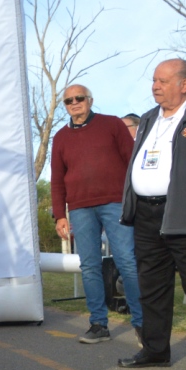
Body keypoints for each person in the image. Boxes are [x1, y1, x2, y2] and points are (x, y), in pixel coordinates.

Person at [118, 59, 186, 370]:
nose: (155, 86)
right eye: (154, 80)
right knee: (151, 285)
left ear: (185, 84)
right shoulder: (149, 118)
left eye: (163, 81)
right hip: (147, 215)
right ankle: (155, 350)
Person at [51, 84, 143, 343]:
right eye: (69, 101)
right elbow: (57, 179)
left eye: (79, 98)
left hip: (115, 203)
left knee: (126, 261)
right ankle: (98, 325)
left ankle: (143, 324)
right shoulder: (60, 137)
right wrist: (60, 215)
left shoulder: (112, 124)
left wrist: (135, 200)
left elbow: (132, 161)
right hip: (80, 209)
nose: (74, 103)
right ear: (65, 106)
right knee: (89, 266)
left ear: (90, 100)